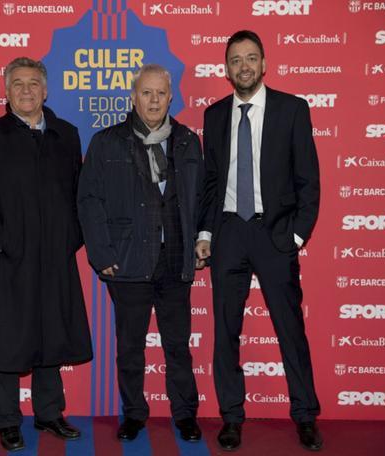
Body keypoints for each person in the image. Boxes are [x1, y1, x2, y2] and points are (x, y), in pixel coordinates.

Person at [196, 30, 322, 451]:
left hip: (275, 233)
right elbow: (211, 183)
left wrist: (297, 235)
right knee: (226, 332)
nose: (244, 66)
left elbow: (309, 181)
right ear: (226, 68)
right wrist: (206, 233)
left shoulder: (292, 110)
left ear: (264, 64)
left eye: (251, 58)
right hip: (229, 232)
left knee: (290, 329)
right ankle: (231, 417)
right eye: (235, 60)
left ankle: (305, 415)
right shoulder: (214, 116)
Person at [0, 57, 93, 452]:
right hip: (9, 258)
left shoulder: (66, 135)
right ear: (6, 90)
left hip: (55, 255)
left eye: (33, 83)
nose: (25, 90)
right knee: (8, 338)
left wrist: (69, 237)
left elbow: (78, 195)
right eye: (17, 83)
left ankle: (50, 412)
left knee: (51, 332)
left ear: (46, 90)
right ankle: (7, 419)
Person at [78, 64, 205, 442]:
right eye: (146, 93)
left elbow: (201, 198)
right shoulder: (106, 142)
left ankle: (185, 415)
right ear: (133, 97)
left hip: (175, 259)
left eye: (160, 93)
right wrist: (102, 255)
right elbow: (88, 201)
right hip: (128, 261)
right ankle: (134, 414)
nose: (153, 100)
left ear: (171, 97)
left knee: (178, 347)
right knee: (130, 348)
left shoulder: (187, 141)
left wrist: (203, 239)